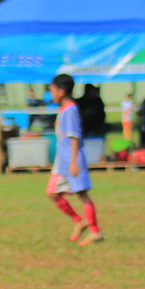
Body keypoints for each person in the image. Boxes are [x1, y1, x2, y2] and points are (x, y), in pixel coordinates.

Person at [46, 74, 103, 246]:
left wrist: (73, 162)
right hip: (62, 160)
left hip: (71, 160)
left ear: (61, 91)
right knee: (52, 193)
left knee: (82, 194)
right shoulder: (65, 109)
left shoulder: (70, 109)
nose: (51, 95)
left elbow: (74, 136)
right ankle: (80, 221)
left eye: (52, 91)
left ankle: (94, 231)